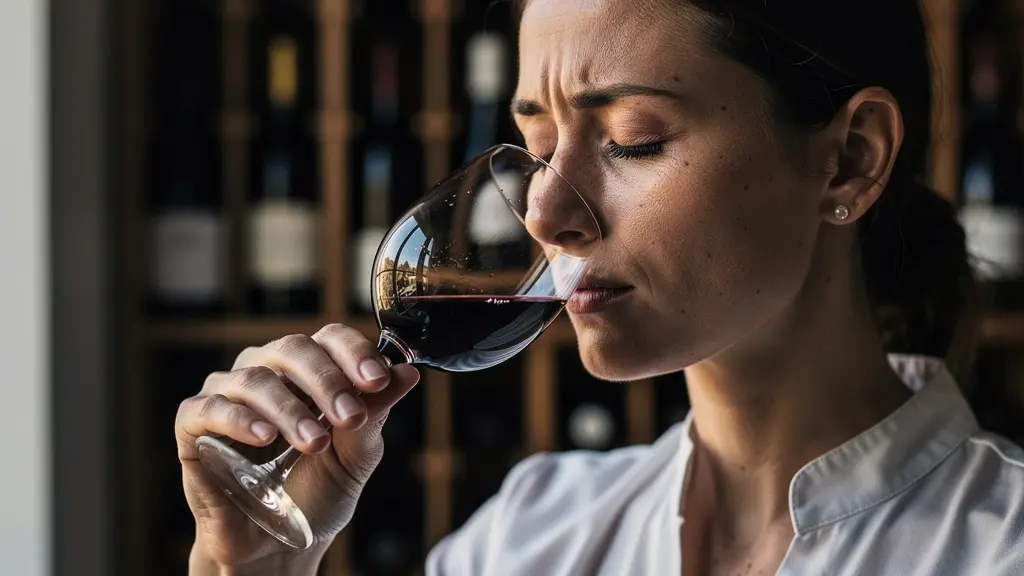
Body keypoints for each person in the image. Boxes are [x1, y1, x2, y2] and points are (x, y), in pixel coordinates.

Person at [176, 0, 1024, 574]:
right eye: (536, 146)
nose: (543, 208)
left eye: (632, 139)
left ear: (850, 158)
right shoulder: (524, 540)